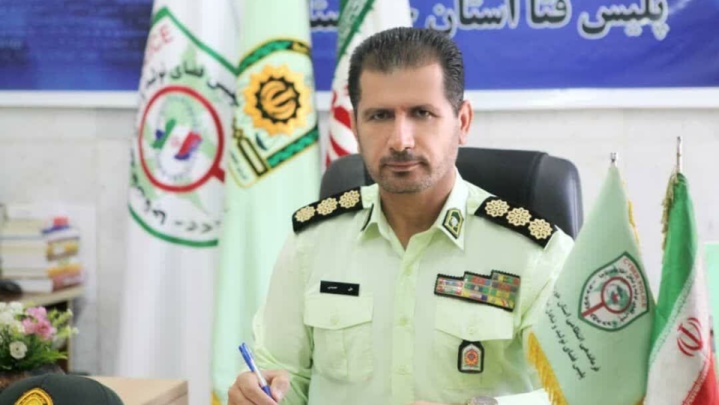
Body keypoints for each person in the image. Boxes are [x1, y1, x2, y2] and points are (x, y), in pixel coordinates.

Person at [228, 27, 573, 405]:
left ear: (462, 122)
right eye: (379, 116)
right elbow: (283, 376)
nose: (400, 140)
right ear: (355, 128)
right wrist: (259, 394)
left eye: (422, 113)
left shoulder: (533, 253)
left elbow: (584, 393)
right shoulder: (312, 241)